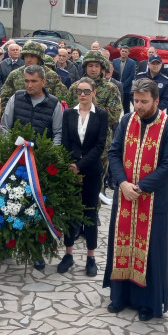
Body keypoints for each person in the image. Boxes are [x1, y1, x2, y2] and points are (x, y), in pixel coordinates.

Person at [103, 78, 168, 321]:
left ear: (156, 101)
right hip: (124, 197)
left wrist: (141, 187)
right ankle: (120, 296)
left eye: (144, 102)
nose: (138, 106)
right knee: (121, 244)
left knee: (150, 251)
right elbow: (114, 153)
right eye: (135, 100)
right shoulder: (126, 121)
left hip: (153, 201)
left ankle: (147, 302)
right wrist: (122, 184)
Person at [0, 64, 63, 270]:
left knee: (36, 208)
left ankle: (35, 252)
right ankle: (5, 248)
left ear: (43, 82)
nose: (29, 85)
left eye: (33, 81)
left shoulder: (54, 104)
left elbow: (58, 134)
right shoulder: (16, 98)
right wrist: (14, 148)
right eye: (26, 81)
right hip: (15, 161)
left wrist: (46, 154)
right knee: (9, 203)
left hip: (40, 164)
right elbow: (4, 126)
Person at [57, 77, 109, 277]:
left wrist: (80, 166)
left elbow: (99, 145)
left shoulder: (101, 115)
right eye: (80, 91)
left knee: (89, 212)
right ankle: (68, 254)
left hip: (92, 169)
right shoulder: (69, 113)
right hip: (71, 168)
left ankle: (90, 257)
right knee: (70, 212)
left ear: (94, 93)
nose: (83, 95)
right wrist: (72, 165)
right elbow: (66, 141)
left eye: (87, 91)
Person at [80, 50, 124, 201]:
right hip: (78, 138)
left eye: (97, 66)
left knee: (98, 176)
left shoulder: (111, 88)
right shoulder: (76, 87)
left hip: (101, 140)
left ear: (102, 67)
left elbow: (114, 115)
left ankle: (95, 209)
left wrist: (89, 110)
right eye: (90, 65)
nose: (93, 69)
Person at [0, 40, 69, 108]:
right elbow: (4, 98)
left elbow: (60, 100)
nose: (28, 59)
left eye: (32, 56)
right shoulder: (15, 74)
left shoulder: (52, 76)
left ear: (39, 57)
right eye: (26, 56)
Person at [111, 46, 137, 111]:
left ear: (128, 53)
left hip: (126, 89)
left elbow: (132, 75)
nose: (124, 53)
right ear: (120, 51)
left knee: (126, 107)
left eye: (126, 51)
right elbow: (112, 73)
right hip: (115, 88)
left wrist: (123, 85)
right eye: (123, 51)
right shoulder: (115, 61)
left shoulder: (132, 62)